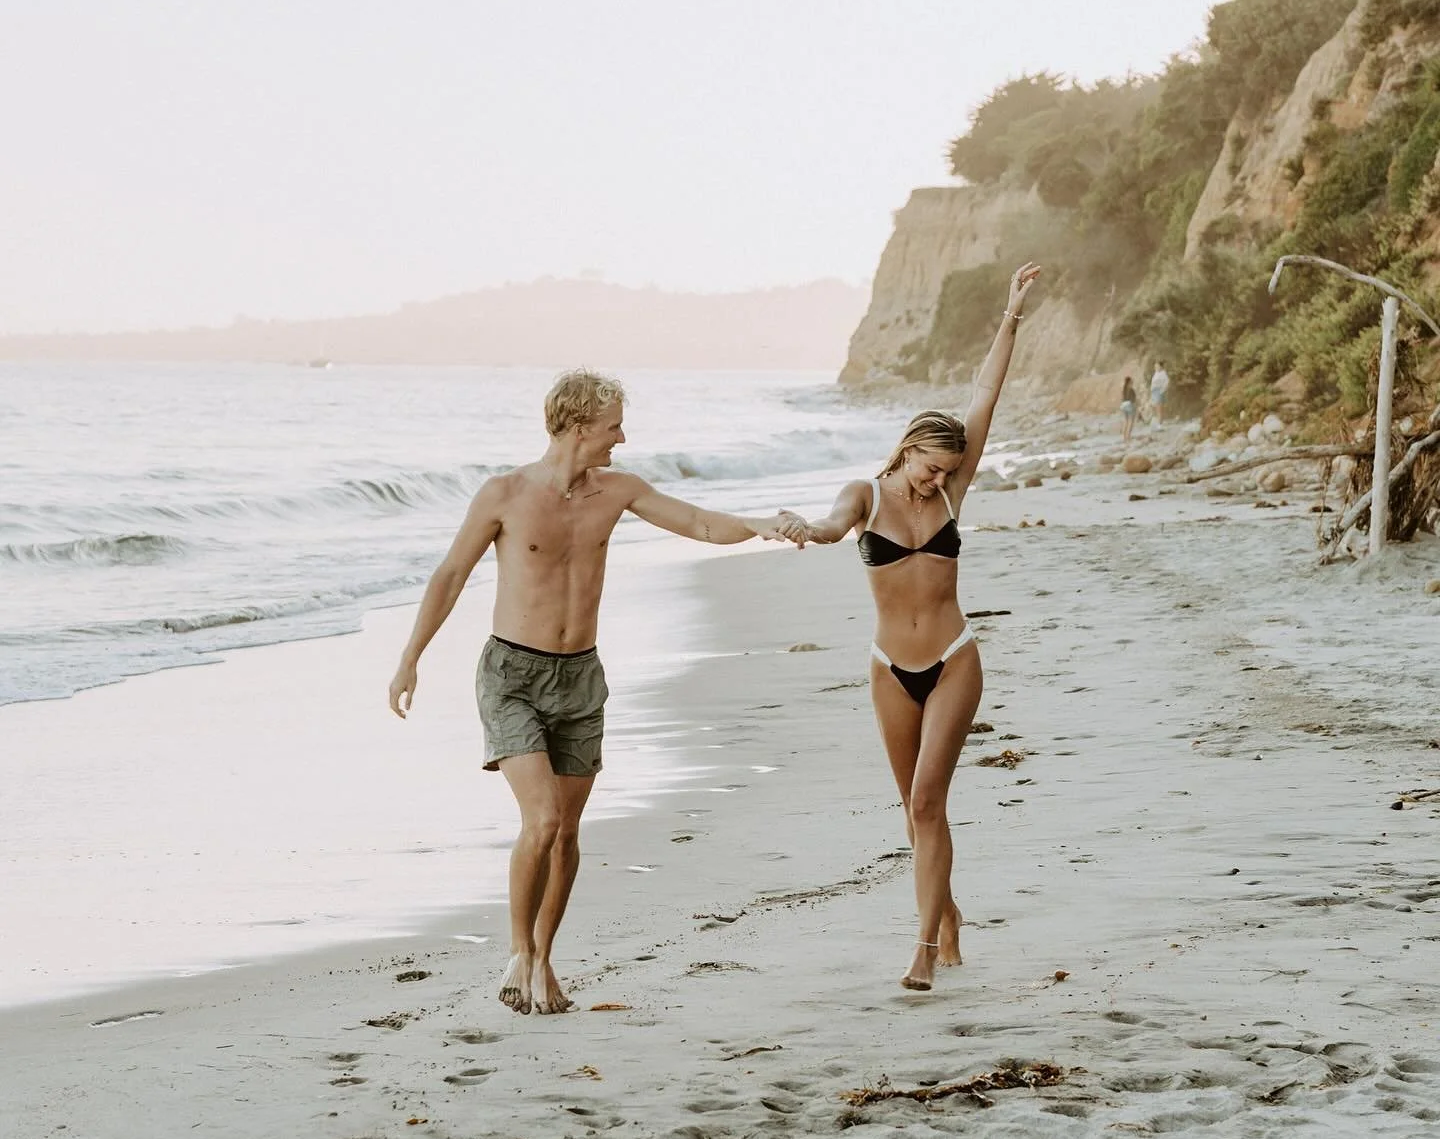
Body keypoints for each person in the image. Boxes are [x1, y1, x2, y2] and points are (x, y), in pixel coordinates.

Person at [388, 369, 803, 1017]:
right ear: (580, 426)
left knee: (568, 832)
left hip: (580, 677)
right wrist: (411, 658)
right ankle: (519, 953)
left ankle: (544, 959)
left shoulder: (619, 490)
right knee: (543, 820)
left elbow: (696, 522)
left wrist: (762, 524)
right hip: (512, 676)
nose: (623, 437)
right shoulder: (504, 493)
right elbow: (449, 575)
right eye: (613, 425)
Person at [784, 263, 1041, 992]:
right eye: (931, 468)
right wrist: (810, 528)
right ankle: (948, 912)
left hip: (955, 659)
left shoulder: (954, 489)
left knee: (930, 801)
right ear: (908, 449)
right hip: (890, 668)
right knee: (912, 809)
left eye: (947, 471)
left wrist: (1010, 319)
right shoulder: (866, 493)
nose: (938, 481)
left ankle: (924, 948)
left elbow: (985, 396)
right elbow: (836, 525)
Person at [1149, 360, 1170, 425]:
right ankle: (1159, 422)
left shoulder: (1163, 373)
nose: (1156, 367)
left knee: (1159, 408)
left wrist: (1162, 391)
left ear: (1161, 367)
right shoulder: (1156, 373)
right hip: (1154, 392)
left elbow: (1167, 383)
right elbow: (1153, 383)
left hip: (1159, 391)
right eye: (1155, 366)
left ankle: (1160, 424)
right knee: (1156, 408)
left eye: (1157, 366)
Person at [1120, 374, 1138, 444]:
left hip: (1123, 406)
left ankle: (1124, 437)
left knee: (1126, 421)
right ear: (1130, 382)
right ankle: (1128, 436)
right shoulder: (1131, 390)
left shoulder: (1123, 390)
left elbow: (1122, 399)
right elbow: (1133, 400)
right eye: (1132, 382)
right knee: (1131, 421)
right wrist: (1136, 408)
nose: (1132, 383)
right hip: (1130, 405)